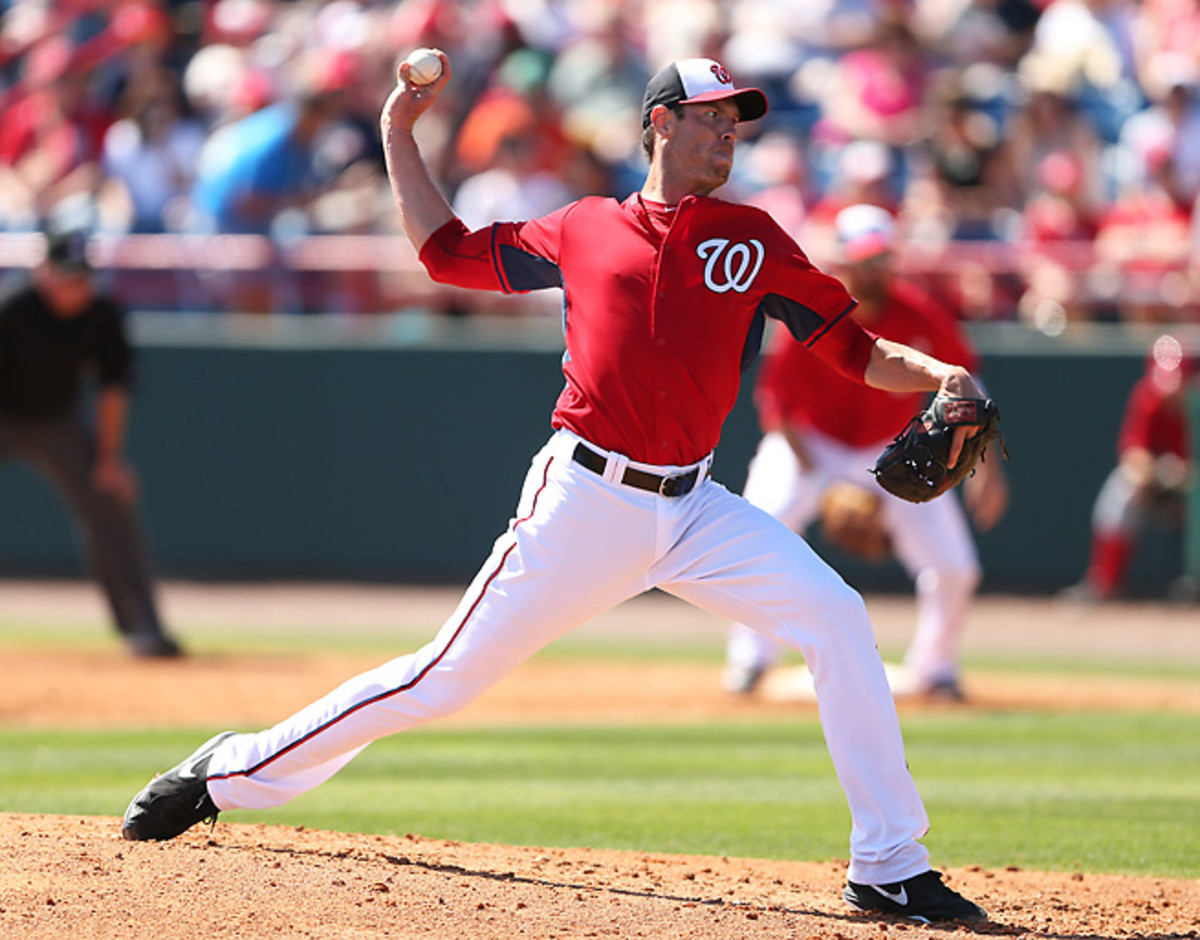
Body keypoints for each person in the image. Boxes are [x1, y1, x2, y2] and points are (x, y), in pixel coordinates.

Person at [122, 53, 989, 924]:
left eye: (737, 117)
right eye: (710, 113)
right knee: (442, 680)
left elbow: (853, 347)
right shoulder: (584, 227)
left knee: (835, 616)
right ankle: (229, 770)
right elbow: (447, 256)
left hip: (694, 507)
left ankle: (888, 864)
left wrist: (940, 374)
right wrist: (396, 131)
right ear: (661, 121)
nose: (729, 129)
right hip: (584, 501)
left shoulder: (755, 238)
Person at [722, 204, 1009, 702]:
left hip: (891, 447)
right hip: (809, 445)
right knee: (761, 530)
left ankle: (936, 668)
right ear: (845, 262)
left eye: (882, 258)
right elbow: (779, 410)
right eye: (865, 259)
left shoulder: (917, 313)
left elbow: (967, 377)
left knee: (955, 565)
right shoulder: (814, 312)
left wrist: (987, 471)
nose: (875, 269)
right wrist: (822, 482)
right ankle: (751, 660)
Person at [0, 225, 182, 658]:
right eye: (66, 277)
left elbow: (113, 388)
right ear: (43, 271)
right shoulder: (13, 307)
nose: (75, 288)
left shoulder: (100, 313)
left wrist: (109, 459)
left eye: (82, 277)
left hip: (56, 422)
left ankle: (143, 627)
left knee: (109, 496)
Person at [1064, 334, 1195, 601]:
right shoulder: (1147, 396)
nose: (1171, 391)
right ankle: (1105, 583)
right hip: (1161, 482)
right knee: (1120, 491)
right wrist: (1162, 473)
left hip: (1194, 488)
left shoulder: (1195, 405)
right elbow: (1133, 457)